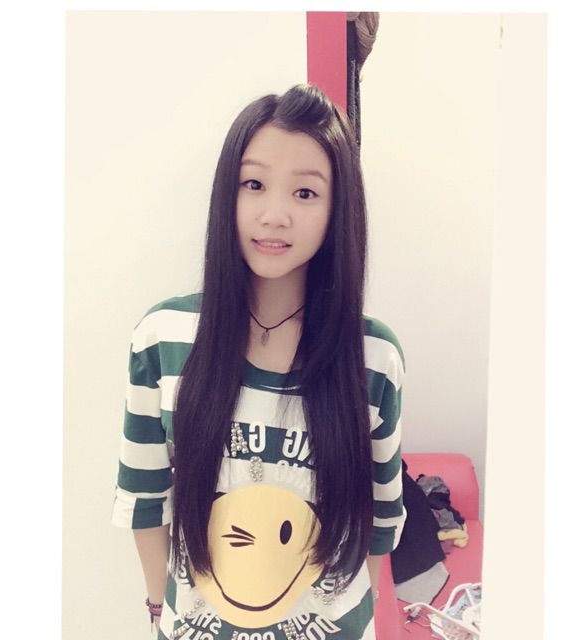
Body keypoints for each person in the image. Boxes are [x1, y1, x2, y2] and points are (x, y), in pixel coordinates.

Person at [112, 83, 406, 640]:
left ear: (337, 211)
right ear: (228, 193)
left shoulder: (372, 358)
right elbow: (144, 497)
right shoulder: (165, 338)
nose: (274, 215)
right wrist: (158, 608)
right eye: (254, 184)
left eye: (305, 192)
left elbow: (380, 519)